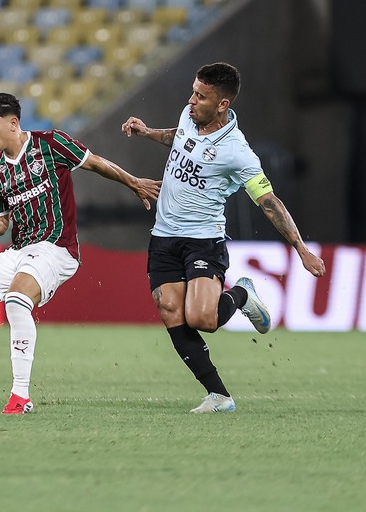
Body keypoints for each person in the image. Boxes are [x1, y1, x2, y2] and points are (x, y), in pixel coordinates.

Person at [121, 62, 325, 413]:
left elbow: (269, 202)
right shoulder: (190, 115)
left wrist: (301, 249)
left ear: (222, 104)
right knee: (170, 309)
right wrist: (147, 132)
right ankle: (219, 396)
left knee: (203, 320)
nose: (191, 100)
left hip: (203, 240)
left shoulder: (238, 152)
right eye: (193, 91)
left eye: (201, 96)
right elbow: (178, 136)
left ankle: (243, 294)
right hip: (163, 236)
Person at [0, 92, 160, 414]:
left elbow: (96, 163)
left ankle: (20, 395)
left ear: (13, 123)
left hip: (56, 249)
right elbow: (1, 224)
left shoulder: (50, 144)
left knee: (17, 301)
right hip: (19, 250)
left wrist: (132, 183)